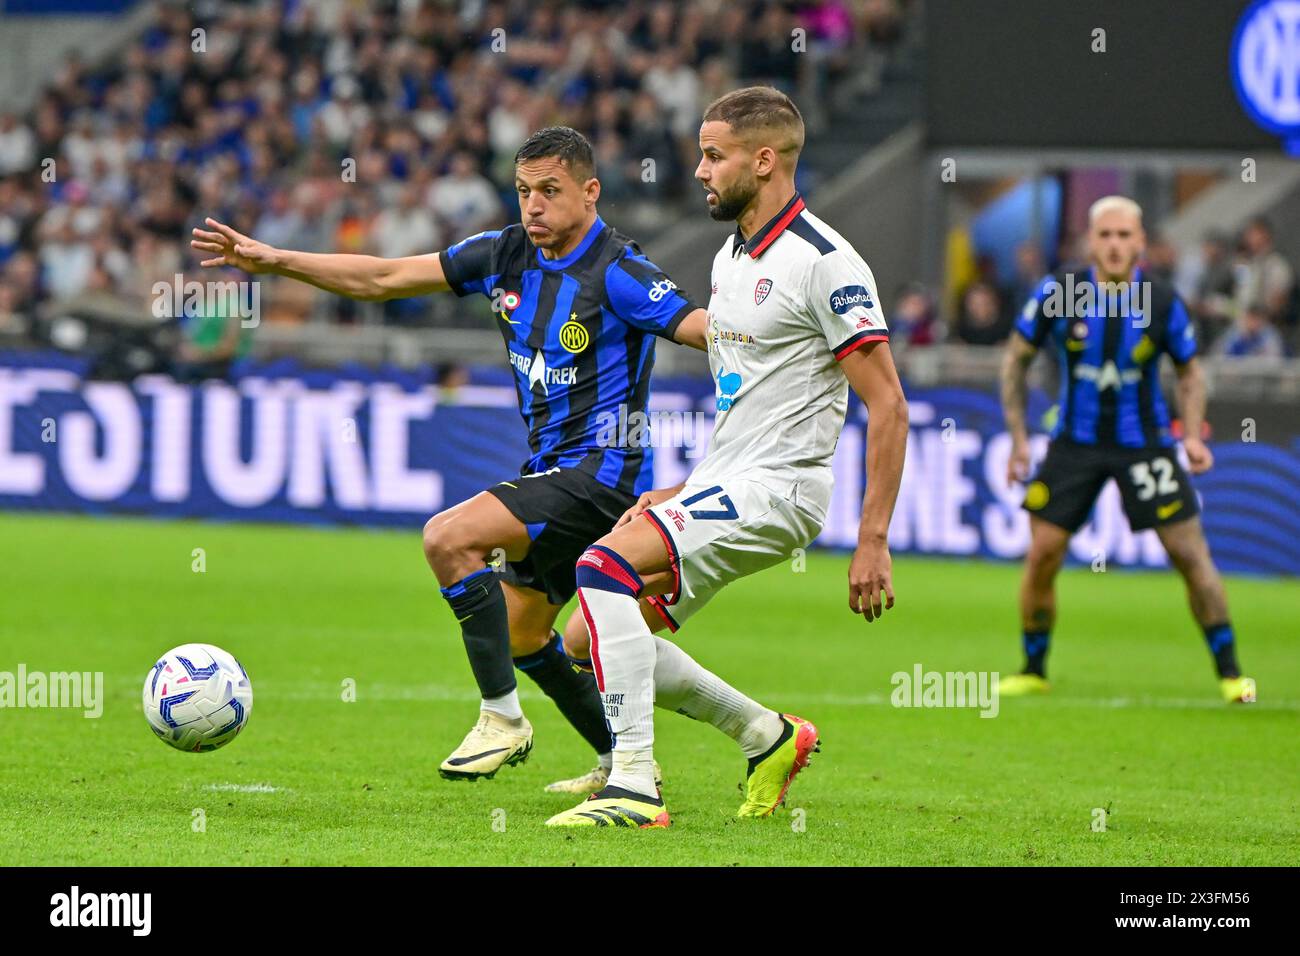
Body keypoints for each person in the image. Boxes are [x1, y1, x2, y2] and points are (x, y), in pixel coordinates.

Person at [192, 126, 709, 790]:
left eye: (550, 191)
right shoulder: (502, 255)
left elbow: (702, 329)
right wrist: (277, 262)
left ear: (590, 191)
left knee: (448, 537)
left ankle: (502, 719)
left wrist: (791, 350)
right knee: (524, 636)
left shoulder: (620, 271)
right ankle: (624, 765)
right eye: (524, 191)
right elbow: (382, 277)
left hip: (600, 476)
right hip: (551, 471)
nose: (534, 207)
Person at [545, 86, 909, 829]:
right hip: (732, 477)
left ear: (765, 159)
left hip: (783, 491)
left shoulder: (826, 263)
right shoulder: (731, 255)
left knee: (599, 567)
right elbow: (756, 405)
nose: (701, 170)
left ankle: (634, 789)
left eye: (715, 156)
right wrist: (687, 486)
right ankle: (766, 735)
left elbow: (890, 405)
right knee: (587, 635)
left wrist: (873, 539)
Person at [999, 195, 1255, 705]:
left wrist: (1193, 438)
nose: (1115, 245)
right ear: (1091, 241)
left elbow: (1190, 371)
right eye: (1105, 235)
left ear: (1140, 242)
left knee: (1188, 553)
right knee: (1044, 554)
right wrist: (1020, 438)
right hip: (1075, 442)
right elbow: (1015, 360)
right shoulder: (1061, 291)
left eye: (1124, 236)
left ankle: (1231, 675)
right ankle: (1033, 668)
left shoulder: (1162, 301)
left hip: (1146, 445)